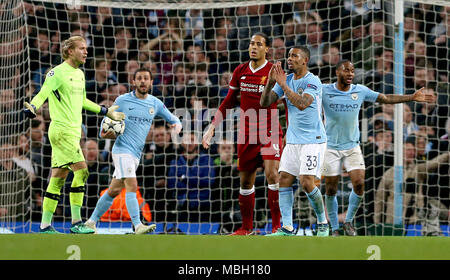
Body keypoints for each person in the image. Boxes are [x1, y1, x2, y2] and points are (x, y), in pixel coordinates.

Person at [22, 36, 126, 234]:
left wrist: (106, 111)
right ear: (69, 51)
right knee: (82, 171)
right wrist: (33, 106)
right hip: (61, 131)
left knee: (58, 177)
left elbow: (83, 101)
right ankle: (77, 222)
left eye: (86, 48)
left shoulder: (79, 74)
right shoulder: (57, 73)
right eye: (82, 48)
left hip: (72, 132)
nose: (86, 52)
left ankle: (44, 225)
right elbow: (43, 92)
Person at [321, 59, 434, 236]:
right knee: (330, 188)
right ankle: (334, 226)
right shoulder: (324, 90)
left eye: (352, 71)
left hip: (352, 146)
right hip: (330, 147)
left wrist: (411, 97)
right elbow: (306, 100)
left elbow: (386, 98)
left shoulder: (360, 90)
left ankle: (348, 221)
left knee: (359, 184)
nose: (350, 74)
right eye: (346, 70)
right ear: (337, 72)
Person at [202, 33, 282, 235]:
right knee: (246, 182)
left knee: (273, 174)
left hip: (270, 128)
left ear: (267, 49)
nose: (254, 47)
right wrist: (212, 126)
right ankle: (246, 227)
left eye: (259, 44)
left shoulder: (274, 71)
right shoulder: (240, 71)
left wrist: (290, 129)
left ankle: (277, 227)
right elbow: (229, 101)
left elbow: (286, 102)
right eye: (251, 43)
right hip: (247, 132)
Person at [84, 68, 182, 234]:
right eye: (139, 78)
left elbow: (174, 119)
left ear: (151, 82)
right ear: (133, 82)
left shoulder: (155, 103)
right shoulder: (122, 100)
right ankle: (137, 225)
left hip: (136, 154)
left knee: (114, 190)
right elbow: (105, 125)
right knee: (132, 184)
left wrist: (176, 128)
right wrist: (108, 131)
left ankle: (90, 222)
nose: (143, 81)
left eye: (146, 78)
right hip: (122, 150)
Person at [261, 46, 329, 237]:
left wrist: (283, 85)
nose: (289, 59)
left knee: (306, 182)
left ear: (305, 60)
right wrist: (270, 82)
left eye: (294, 56)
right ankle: (288, 228)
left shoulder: (313, 81)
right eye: (289, 55)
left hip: (313, 140)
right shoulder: (287, 79)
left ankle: (323, 223)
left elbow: (302, 104)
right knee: (283, 180)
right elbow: (265, 103)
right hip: (292, 141)